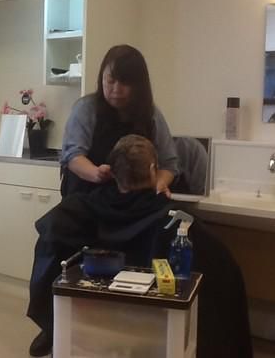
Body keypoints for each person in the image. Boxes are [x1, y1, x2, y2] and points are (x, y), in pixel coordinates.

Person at [27, 135, 252, 358]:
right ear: (153, 170)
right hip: (153, 328)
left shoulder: (81, 209)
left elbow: (49, 242)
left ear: (112, 173)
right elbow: (224, 278)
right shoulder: (175, 219)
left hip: (92, 321)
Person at [60, 44, 178, 197]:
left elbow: (169, 164)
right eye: (110, 81)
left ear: (139, 85)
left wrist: (159, 183)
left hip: (134, 203)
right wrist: (96, 173)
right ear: (102, 78)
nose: (116, 89)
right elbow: (72, 155)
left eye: (125, 83)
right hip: (85, 198)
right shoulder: (86, 109)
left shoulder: (151, 114)